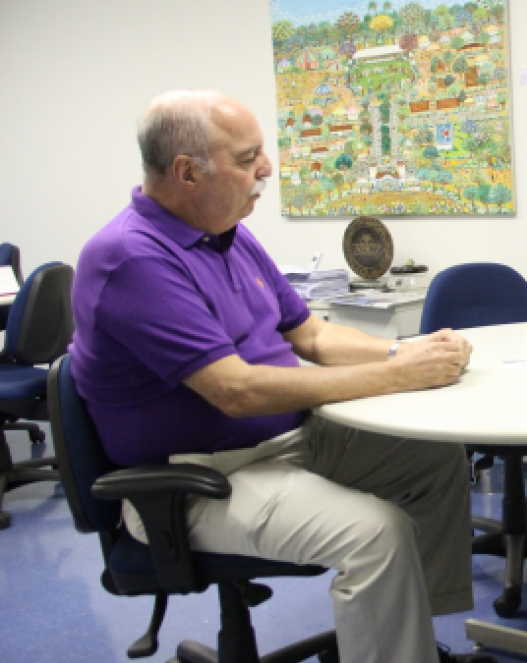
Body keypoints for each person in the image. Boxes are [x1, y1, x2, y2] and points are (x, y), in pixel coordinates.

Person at [70, 91, 494, 663]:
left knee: (432, 458)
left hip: (286, 442)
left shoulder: (228, 234)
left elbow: (312, 336)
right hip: (194, 483)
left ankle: (410, 638)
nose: (266, 168)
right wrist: (398, 376)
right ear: (187, 172)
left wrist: (405, 348)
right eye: (248, 158)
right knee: (376, 534)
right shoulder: (131, 259)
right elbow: (235, 390)